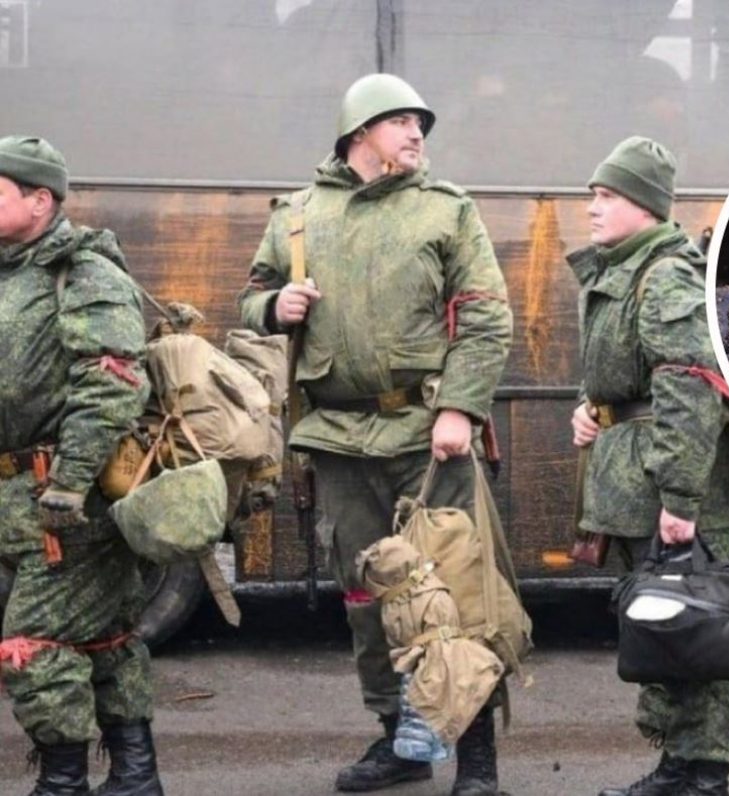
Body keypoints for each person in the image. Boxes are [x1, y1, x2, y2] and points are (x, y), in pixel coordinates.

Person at [237, 74, 513, 795]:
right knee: (368, 596)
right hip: (337, 437)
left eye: (421, 124)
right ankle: (401, 742)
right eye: (400, 122)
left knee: (455, 596)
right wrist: (275, 305)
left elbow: (487, 317)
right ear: (359, 132)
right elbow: (250, 298)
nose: (417, 133)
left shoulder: (446, 209)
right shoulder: (297, 215)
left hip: (427, 435)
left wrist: (461, 408)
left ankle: (476, 760)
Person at [568, 137, 729, 796]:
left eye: (606, 195)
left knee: (702, 629)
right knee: (666, 627)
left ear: (644, 204)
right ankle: (678, 768)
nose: (592, 207)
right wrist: (589, 409)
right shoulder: (624, 269)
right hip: (636, 481)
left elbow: (689, 387)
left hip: (671, 487)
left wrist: (680, 500)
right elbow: (624, 374)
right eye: (593, 195)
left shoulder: (665, 274)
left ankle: (704, 776)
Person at [0, 136, 161, 796]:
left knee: (34, 641)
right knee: (104, 637)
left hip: (66, 499)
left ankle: (64, 784)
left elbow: (112, 381)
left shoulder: (84, 273)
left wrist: (69, 481)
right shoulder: (11, 274)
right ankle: (136, 779)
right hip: (19, 498)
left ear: (40, 201)